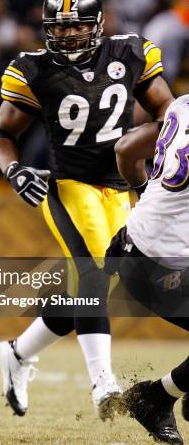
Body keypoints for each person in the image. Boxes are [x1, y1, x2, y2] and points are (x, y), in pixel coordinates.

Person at [0, 0, 174, 419]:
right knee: (92, 273)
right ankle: (103, 383)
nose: (68, 34)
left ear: (97, 24)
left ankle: (17, 352)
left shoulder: (129, 53)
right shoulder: (33, 68)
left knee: (96, 284)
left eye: (77, 26)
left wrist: (153, 156)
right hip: (69, 185)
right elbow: (0, 134)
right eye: (60, 26)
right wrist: (14, 171)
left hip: (123, 186)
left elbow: (168, 111)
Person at [106, 94, 189, 444]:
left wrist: (145, 196)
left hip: (130, 244)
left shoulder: (182, 104)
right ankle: (154, 398)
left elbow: (125, 149)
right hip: (158, 269)